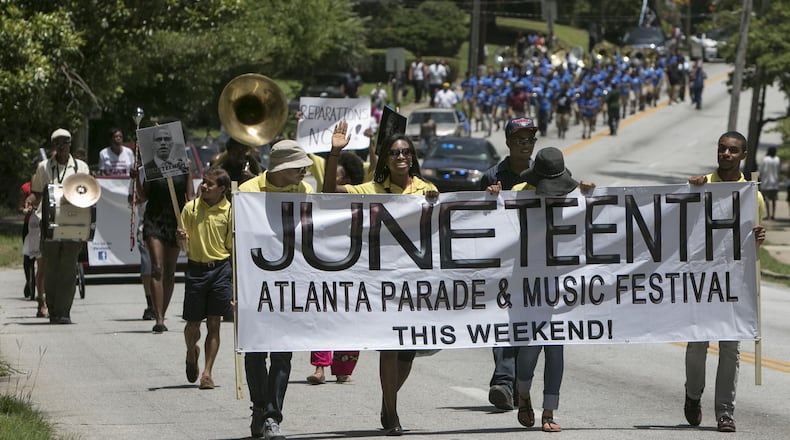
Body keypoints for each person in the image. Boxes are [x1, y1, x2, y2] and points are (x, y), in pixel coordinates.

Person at [324, 121, 438, 436]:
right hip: (381, 282)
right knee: (389, 347)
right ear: (385, 159)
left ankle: (387, 400)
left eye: (405, 152)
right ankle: (392, 413)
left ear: (412, 158)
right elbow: (327, 193)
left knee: (407, 354)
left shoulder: (426, 189)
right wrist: (335, 153)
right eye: (394, 152)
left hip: (416, 282)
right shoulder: (371, 190)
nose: (400, 156)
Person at [487, 147, 592, 433]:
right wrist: (494, 197)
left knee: (556, 350)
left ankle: (548, 411)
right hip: (526, 283)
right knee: (529, 351)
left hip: (558, 284)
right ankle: (523, 395)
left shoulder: (571, 192)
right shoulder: (519, 191)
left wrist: (589, 194)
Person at [684, 131, 766, 433]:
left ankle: (724, 412)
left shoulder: (752, 193)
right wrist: (691, 190)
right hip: (702, 280)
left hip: (734, 283)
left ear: (743, 155)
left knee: (730, 348)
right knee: (697, 344)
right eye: (722, 149)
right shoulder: (702, 185)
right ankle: (692, 395)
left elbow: (751, 241)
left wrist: (759, 237)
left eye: (733, 151)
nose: (726, 155)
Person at [239, 139, 315, 440]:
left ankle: (272, 416)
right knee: (255, 352)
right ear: (282, 168)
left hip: (290, 283)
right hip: (254, 284)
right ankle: (258, 406)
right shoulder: (247, 193)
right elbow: (239, 242)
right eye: (299, 166)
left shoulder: (305, 191)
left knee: (283, 354)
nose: (305, 170)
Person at [305, 150, 367, 386]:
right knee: (322, 313)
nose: (333, 182)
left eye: (339, 178)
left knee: (349, 317)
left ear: (349, 180)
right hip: (325, 262)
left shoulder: (362, 198)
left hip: (354, 266)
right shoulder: (324, 201)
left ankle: (343, 368)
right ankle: (320, 367)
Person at [24, 129, 91, 324]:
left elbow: (88, 193)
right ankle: (52, 309)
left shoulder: (81, 167)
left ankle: (64, 311)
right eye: (57, 143)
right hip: (49, 223)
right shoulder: (44, 167)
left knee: (68, 269)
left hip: (73, 223)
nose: (62, 146)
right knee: (51, 268)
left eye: (65, 142)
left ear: (70, 144)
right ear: (53, 145)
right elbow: (36, 193)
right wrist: (29, 202)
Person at [177, 167, 233, 391]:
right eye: (204, 182)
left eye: (210, 184)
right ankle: (192, 353)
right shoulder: (191, 208)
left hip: (220, 270)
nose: (204, 187)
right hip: (196, 270)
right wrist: (181, 237)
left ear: (222, 189)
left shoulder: (229, 212)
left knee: (214, 323)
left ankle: (208, 372)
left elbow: (231, 246)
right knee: (192, 324)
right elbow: (184, 246)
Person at [136, 127, 195, 333]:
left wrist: (190, 224)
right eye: (158, 139)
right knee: (157, 268)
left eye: (166, 139)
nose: (162, 142)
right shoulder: (151, 166)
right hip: (154, 221)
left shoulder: (185, 165)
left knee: (170, 271)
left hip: (175, 222)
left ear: (174, 143)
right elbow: (143, 196)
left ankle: (163, 311)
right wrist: (136, 177)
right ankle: (158, 318)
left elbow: (190, 197)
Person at [18, 157, 45, 314]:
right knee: (28, 257)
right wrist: (25, 209)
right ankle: (29, 280)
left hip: (45, 224)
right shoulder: (27, 187)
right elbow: (21, 205)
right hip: (31, 224)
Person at [759, 146, 780, 220]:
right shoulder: (777, 159)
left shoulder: (765, 159)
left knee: (766, 198)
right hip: (775, 182)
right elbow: (778, 169)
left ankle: (768, 215)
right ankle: (773, 215)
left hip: (766, 181)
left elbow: (761, 170)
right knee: (774, 199)